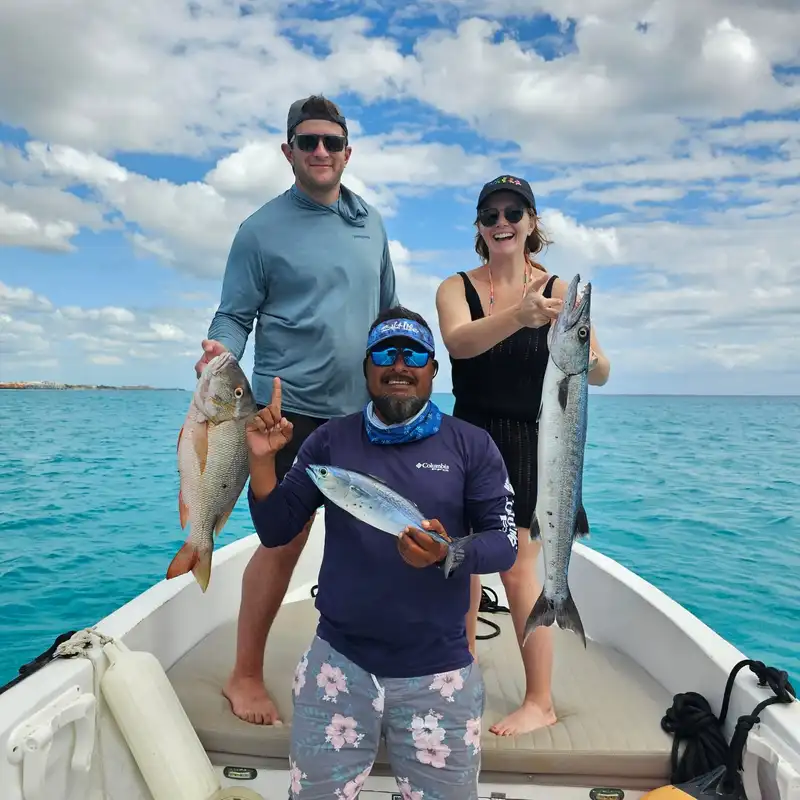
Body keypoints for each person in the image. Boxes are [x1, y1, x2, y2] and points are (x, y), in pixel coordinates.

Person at [245, 306, 518, 800]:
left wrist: (447, 554)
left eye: (413, 354)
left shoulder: (471, 445)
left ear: (434, 368)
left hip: (440, 673)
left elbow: (504, 543)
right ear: (366, 367)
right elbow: (275, 529)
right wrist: (262, 464)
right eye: (384, 353)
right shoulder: (330, 441)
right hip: (338, 665)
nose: (399, 365)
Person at [195, 95, 398, 725]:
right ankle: (244, 676)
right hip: (290, 415)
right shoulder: (259, 230)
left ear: (347, 152)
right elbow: (234, 316)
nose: (320, 152)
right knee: (283, 543)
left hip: (364, 413)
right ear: (288, 151)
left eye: (331, 142)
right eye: (307, 142)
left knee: (375, 543)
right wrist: (219, 353)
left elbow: (388, 313)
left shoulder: (370, 223)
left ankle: (374, 666)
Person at [435, 174, 611, 737]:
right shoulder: (455, 287)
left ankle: (540, 700)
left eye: (514, 212)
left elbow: (602, 372)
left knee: (517, 569)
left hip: (534, 442)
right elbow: (458, 342)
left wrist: (578, 346)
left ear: (533, 223)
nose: (502, 222)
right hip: (466, 437)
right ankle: (459, 667)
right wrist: (518, 316)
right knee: (460, 560)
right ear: (479, 227)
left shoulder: (559, 291)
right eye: (490, 214)